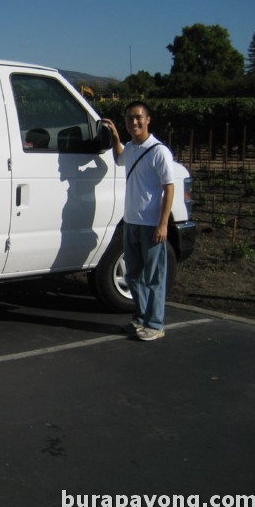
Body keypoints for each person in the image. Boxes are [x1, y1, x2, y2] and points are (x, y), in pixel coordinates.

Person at [103, 101, 174, 341]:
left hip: (151, 224)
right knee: (133, 274)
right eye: (129, 119)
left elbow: (169, 188)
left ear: (148, 119)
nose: (134, 122)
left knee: (153, 276)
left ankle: (155, 324)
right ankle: (142, 318)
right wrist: (115, 137)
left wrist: (163, 223)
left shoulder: (159, 151)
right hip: (132, 222)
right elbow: (120, 159)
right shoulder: (131, 148)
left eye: (138, 117)